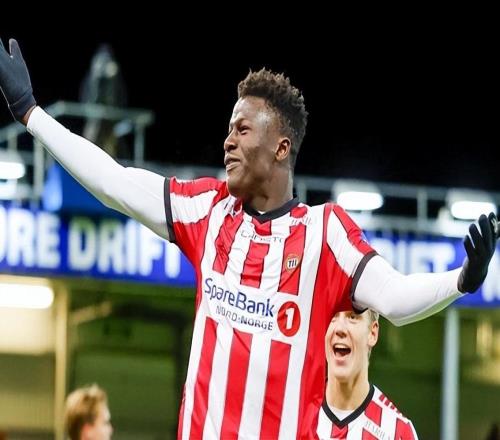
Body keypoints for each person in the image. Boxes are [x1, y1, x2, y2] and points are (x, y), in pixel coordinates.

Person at [1, 38, 498, 439]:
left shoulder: (324, 233)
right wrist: (30, 113)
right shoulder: (209, 210)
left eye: (242, 130)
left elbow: (394, 297)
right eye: (228, 129)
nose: (228, 141)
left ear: (281, 147)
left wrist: (462, 279)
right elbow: (115, 183)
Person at [317, 309, 418, 439]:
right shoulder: (295, 409)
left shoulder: (397, 432)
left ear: (372, 333)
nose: (339, 328)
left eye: (352, 317)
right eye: (332, 316)